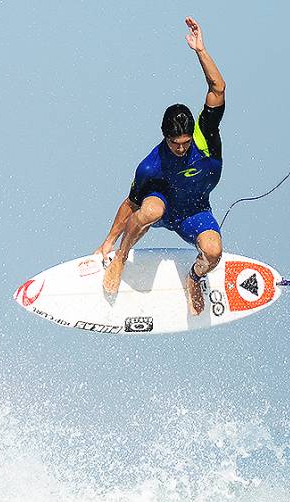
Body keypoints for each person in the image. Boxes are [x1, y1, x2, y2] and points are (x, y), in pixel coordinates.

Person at [95, 16, 226, 316]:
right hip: (163, 206)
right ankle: (120, 259)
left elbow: (217, 88)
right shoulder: (151, 166)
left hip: (195, 211)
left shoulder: (205, 135)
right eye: (173, 143)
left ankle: (194, 278)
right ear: (164, 137)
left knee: (214, 252)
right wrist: (108, 242)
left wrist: (200, 51)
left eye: (184, 143)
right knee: (152, 209)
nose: (180, 148)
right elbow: (131, 203)